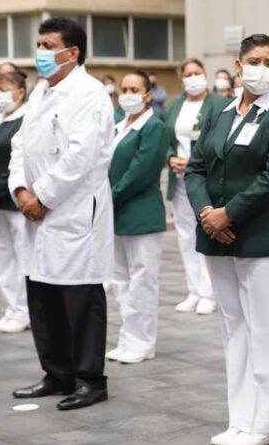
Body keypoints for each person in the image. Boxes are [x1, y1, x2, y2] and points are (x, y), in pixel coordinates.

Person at [185, 33, 269, 445]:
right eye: (255, 60)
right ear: (239, 65)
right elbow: (196, 168)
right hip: (216, 235)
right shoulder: (220, 111)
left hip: (263, 236)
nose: (263, 68)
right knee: (233, 326)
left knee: (264, 327)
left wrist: (228, 213)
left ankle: (265, 424)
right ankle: (240, 418)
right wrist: (206, 215)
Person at [8, 17, 114, 410]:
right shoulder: (40, 92)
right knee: (42, 294)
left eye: (48, 45)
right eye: (39, 44)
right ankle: (57, 373)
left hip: (72, 210)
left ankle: (90, 380)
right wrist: (20, 189)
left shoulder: (90, 93)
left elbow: (80, 156)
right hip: (36, 209)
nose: (41, 53)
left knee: (80, 297)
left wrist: (43, 197)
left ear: (72, 52)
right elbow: (20, 143)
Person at [106, 70, 170, 365]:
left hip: (140, 213)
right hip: (116, 213)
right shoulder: (119, 125)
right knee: (120, 280)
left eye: (135, 89)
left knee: (142, 280)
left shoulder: (153, 127)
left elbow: (140, 171)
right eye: (125, 88)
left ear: (147, 95)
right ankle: (127, 337)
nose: (128, 94)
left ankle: (143, 341)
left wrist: (110, 197)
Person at [165, 58, 227, 315]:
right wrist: (170, 158)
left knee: (206, 231)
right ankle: (193, 290)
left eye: (197, 73)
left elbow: (220, 140)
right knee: (185, 236)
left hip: (204, 178)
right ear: (181, 79)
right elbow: (167, 138)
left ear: (205, 75)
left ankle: (209, 292)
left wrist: (195, 161)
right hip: (179, 180)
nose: (193, 77)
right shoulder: (174, 106)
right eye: (188, 74)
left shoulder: (218, 104)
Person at [0, 70, 30, 334]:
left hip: (13, 198)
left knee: (22, 257)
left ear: (20, 92)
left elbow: (19, 160)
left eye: (5, 88)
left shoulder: (24, 119)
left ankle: (25, 311)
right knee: (4, 257)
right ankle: (12, 308)